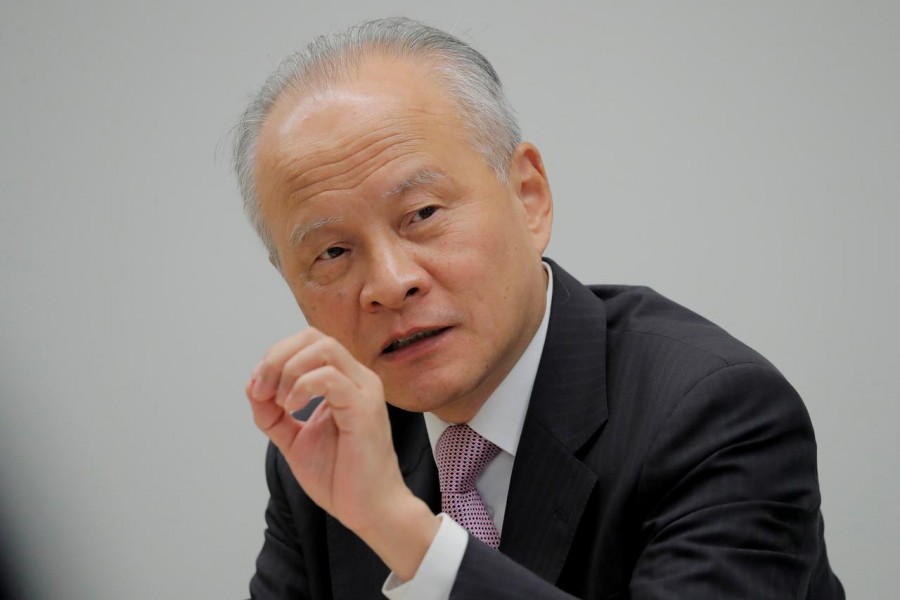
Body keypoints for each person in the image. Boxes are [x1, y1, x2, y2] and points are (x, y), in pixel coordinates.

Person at [233, 17, 844, 599]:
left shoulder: (713, 416)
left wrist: (401, 529)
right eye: (333, 251)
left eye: (422, 214)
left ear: (529, 197)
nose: (390, 284)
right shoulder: (330, 439)